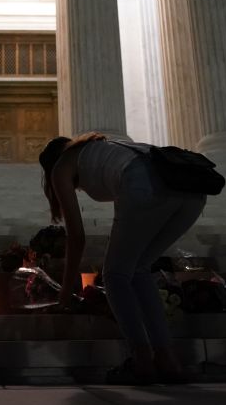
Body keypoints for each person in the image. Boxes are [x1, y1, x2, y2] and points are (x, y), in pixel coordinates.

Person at [38, 132, 207, 384]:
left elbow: (76, 237)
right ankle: (167, 359)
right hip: (191, 190)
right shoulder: (106, 149)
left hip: (147, 185)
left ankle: (142, 359)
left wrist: (65, 292)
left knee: (115, 275)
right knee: (138, 269)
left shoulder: (62, 166)